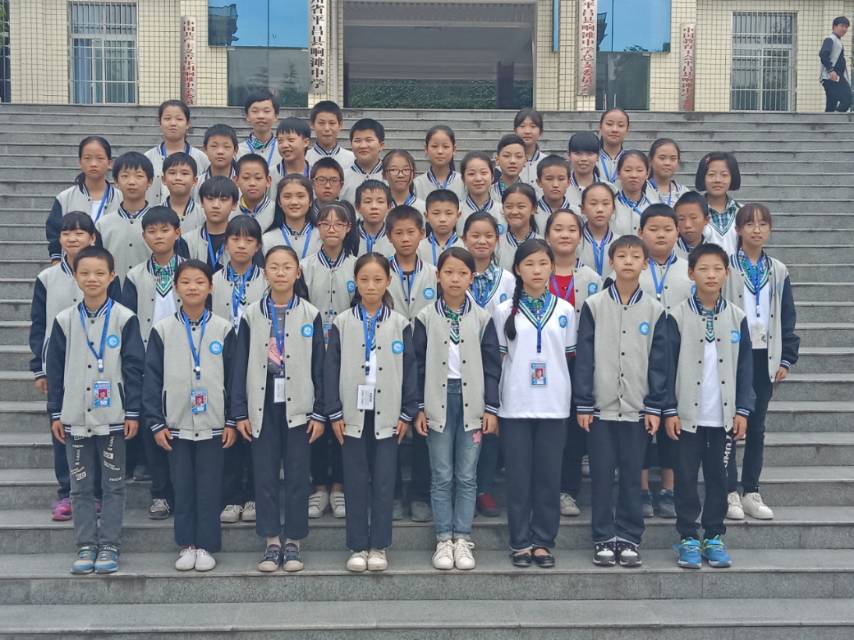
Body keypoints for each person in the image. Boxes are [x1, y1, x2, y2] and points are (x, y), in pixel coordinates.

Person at [46, 246, 145, 574]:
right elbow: (55, 371)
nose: (92, 279)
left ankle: (110, 544)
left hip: (113, 416)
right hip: (75, 416)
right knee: (81, 486)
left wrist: (132, 411)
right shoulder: (64, 321)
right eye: (85, 273)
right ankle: (86, 544)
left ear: (111, 276)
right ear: (75, 277)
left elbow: (134, 367)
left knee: (114, 484)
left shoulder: (124, 318)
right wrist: (55, 412)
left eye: (99, 273)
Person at [574, 235, 669, 568]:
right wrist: (583, 402)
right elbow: (584, 357)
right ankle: (603, 536)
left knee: (631, 475)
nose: (628, 261)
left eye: (635, 256)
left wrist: (655, 405)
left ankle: (629, 537)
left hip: (637, 410)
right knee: (601, 475)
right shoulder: (594, 305)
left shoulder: (655, 310)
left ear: (645, 263)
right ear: (611, 262)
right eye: (622, 256)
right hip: (600, 410)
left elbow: (660, 362)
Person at [231, 246, 326, 573]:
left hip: (299, 402)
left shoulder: (310, 314)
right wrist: (240, 412)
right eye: (274, 267)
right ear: (265, 273)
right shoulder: (251, 314)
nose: (281, 272)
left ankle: (294, 541)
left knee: (298, 474)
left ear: (298, 272)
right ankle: (271, 540)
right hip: (262, 399)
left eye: (287, 267)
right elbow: (240, 365)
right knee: (265, 473)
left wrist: (319, 412)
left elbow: (319, 366)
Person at [324, 253, 417, 573]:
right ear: (355, 283)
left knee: (384, 481)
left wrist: (407, 412)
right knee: (354, 480)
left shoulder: (400, 324)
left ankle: (379, 545)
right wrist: (334, 412)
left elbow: (410, 370)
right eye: (364, 279)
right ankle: (357, 544)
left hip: (388, 411)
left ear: (388, 281)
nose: (371, 285)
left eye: (378, 279)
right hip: (351, 412)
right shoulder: (342, 322)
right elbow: (330, 369)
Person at [143, 259, 237, 572]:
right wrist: (156, 421)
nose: (193, 287)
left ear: (210, 287)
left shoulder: (223, 328)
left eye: (199, 282)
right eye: (185, 282)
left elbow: (234, 378)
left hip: (214, 424)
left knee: (209, 488)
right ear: (176, 287)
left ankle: (207, 545)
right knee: (182, 486)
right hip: (176, 424)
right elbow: (151, 379)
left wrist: (232, 420)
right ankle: (187, 544)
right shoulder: (163, 329)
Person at [665, 243, 755, 569]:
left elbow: (745, 368)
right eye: (703, 269)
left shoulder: (736, 317)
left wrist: (743, 409)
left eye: (718, 269)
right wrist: (669, 409)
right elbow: (665, 366)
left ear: (726, 273)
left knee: (719, 478)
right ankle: (688, 536)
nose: (711, 275)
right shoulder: (676, 316)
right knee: (686, 477)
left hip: (723, 416)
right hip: (687, 416)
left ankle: (714, 535)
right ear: (691, 273)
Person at [414, 247, 500, 570]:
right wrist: (418, 407)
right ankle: (443, 538)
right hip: (437, 400)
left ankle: (462, 538)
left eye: (462, 273)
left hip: (472, 402)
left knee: (466, 475)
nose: (455, 279)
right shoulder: (425, 317)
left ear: (471, 278)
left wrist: (491, 408)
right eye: (448, 272)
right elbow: (417, 365)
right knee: (442, 475)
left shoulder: (482, 318)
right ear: (438, 276)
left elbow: (492, 367)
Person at [30, 213, 119, 521]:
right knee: (63, 430)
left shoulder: (106, 274)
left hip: (101, 369)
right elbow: (38, 325)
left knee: (100, 431)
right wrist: (40, 368)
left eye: (80, 233)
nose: (73, 238)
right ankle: (67, 492)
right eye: (67, 233)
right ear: (59, 239)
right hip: (62, 368)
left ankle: (97, 493)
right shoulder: (47, 278)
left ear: (92, 238)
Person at [493, 239, 577, 568]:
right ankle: (520, 541)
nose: (537, 270)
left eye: (543, 263)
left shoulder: (565, 310)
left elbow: (569, 357)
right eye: (529, 264)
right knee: (518, 477)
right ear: (517, 269)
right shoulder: (504, 311)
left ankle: (543, 541)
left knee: (548, 476)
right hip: (515, 404)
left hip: (554, 404)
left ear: (552, 267)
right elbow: (499, 360)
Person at [723, 203, 800, 521]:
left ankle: (751, 490)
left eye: (763, 224)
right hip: (733, 355)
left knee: (757, 426)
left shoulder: (778, 270)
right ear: (738, 230)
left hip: (765, 355)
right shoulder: (725, 266)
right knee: (728, 424)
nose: (757, 229)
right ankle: (729, 490)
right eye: (750, 224)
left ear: (770, 229)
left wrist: (787, 357)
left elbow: (787, 314)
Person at [123, 206, 184, 520]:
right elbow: (129, 320)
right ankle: (160, 493)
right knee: (153, 424)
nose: (159, 236)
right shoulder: (135, 276)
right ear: (144, 236)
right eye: (152, 231)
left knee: (182, 424)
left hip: (186, 356)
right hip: (149, 357)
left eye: (165, 230)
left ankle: (182, 491)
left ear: (178, 232)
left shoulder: (191, 271)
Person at [637, 204, 694, 519]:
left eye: (668, 229)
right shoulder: (632, 266)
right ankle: (643, 488)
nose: (661, 235)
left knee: (675, 423)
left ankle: (670, 489)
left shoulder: (689, 271)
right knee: (642, 423)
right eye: (654, 229)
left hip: (681, 357)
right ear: (640, 232)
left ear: (678, 232)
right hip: (639, 357)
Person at [544, 209, 602, 517]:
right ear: (547, 235)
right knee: (546, 428)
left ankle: (568, 490)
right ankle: (543, 488)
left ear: (580, 237)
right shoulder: (536, 271)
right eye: (558, 229)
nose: (564, 235)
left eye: (571, 230)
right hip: (542, 364)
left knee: (574, 429)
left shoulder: (592, 279)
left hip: (579, 363)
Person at [301, 202, 357, 519]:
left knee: (343, 416)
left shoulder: (358, 266)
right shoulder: (305, 267)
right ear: (317, 228)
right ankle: (319, 485)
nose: (332, 228)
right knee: (316, 415)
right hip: (312, 352)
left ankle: (340, 485)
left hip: (348, 353)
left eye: (339, 223)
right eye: (325, 223)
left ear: (348, 228)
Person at [461, 211, 515, 517]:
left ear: (497, 240)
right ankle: (462, 487)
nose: (482, 241)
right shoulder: (455, 273)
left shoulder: (507, 279)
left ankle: (483, 488)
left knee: (490, 425)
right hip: (459, 362)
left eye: (488, 236)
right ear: (464, 238)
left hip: (497, 362)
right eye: (475, 235)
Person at [46, 136, 120, 261]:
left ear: (109, 163)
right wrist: (56, 260)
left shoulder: (122, 198)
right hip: (73, 267)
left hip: (110, 266)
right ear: (80, 162)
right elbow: (54, 232)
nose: (93, 164)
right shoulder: (65, 198)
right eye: (87, 158)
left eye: (100, 158)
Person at [96, 152, 154, 282]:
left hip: (150, 289)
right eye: (125, 176)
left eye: (139, 176)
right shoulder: (103, 224)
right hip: (113, 290)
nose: (132, 182)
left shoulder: (161, 222)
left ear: (150, 182)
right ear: (116, 182)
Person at [144, 100, 209, 205]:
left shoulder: (202, 158)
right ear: (160, 123)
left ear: (188, 124)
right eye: (167, 118)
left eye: (179, 119)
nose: (173, 123)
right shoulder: (148, 158)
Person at [183, 176, 239, 272]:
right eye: (210, 199)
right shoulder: (187, 241)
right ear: (201, 202)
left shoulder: (243, 240)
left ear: (234, 205)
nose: (215, 205)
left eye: (223, 199)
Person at [262, 174, 321, 261]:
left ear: (310, 201)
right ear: (279, 202)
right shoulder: (267, 240)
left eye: (300, 196)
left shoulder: (321, 236)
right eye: (287, 197)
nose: (294, 202)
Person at [695, 152, 742, 255]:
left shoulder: (742, 212)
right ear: (703, 177)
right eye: (711, 174)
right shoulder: (693, 211)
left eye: (724, 175)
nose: (718, 180)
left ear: (732, 177)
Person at [413, 125, 465, 202]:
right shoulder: (417, 184)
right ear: (426, 149)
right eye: (434, 146)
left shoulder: (463, 182)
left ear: (454, 150)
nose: (440, 151)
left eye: (445, 147)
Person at [578, 183, 620, 278]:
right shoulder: (574, 243)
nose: (600, 209)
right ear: (582, 209)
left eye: (605, 204)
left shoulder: (621, 244)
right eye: (593, 204)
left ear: (613, 208)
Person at [341, 118, 386, 204]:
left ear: (381, 145)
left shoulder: (391, 176)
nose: (363, 146)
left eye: (369, 140)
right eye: (357, 141)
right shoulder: (342, 177)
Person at [496, 183, 539, 272]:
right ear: (503, 209)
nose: (514, 212)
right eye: (509, 207)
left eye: (521, 207)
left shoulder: (542, 244)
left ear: (533, 209)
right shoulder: (496, 244)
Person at [459, 151, 504, 233]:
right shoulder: (456, 212)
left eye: (484, 173)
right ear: (463, 179)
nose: (478, 178)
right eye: (471, 174)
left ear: (492, 177)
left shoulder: (503, 211)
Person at [613, 151, 656, 237]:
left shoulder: (655, 206)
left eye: (639, 170)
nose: (633, 175)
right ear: (618, 173)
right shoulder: (610, 206)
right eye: (628, 170)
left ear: (647, 174)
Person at [418, 189, 463, 266]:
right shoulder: (418, 248)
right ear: (426, 216)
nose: (442, 219)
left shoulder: (464, 247)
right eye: (436, 213)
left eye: (448, 213)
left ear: (458, 216)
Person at [237, 90, 281, 168]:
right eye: (255, 111)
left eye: (266, 111)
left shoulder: (283, 150)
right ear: (247, 116)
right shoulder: (238, 151)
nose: (261, 116)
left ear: (276, 116)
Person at [306, 100, 355, 169]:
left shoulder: (352, 159)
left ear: (340, 125)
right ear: (312, 125)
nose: (327, 128)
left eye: (332, 123)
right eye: (321, 123)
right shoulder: (304, 159)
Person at [162, 152, 203, 232]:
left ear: (195, 180)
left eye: (184, 173)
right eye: (172, 173)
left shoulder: (204, 214)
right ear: (163, 179)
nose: (178, 178)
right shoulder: (153, 213)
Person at [235, 154, 276, 233]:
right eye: (246, 178)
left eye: (258, 178)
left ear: (268, 181)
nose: (252, 183)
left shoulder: (277, 211)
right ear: (236, 181)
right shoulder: (230, 211)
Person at [271, 117, 312, 194]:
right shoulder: (270, 175)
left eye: (291, 140)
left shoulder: (316, 175)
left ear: (306, 142)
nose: (284, 145)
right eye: (280, 141)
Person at [566, 132, 606, 211]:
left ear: (598, 156)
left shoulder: (609, 189)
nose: (584, 159)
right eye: (578, 153)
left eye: (590, 154)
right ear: (568, 155)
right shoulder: (560, 189)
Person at [820, 17, 852, 112]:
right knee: (847, 99)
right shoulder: (830, 39)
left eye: (846, 27)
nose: (844, 29)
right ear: (834, 27)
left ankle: (829, 120)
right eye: (842, 26)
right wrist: (831, 70)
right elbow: (823, 54)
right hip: (833, 77)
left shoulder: (837, 41)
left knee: (831, 105)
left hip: (833, 77)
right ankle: (837, 117)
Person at [355, 180, 395, 257]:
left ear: (389, 207)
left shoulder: (395, 238)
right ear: (357, 207)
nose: (374, 206)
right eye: (368, 201)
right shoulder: (349, 237)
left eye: (380, 202)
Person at [646, 138, 689, 207]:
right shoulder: (640, 190)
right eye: (662, 158)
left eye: (673, 159)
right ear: (650, 160)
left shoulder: (684, 193)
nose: (667, 163)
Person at [198, 123, 239, 189]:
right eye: (214, 146)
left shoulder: (242, 183)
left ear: (235, 150)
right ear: (205, 149)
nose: (220, 151)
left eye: (226, 146)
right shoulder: (197, 184)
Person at [536, 155, 572, 226]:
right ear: (539, 182)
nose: (555, 185)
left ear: (568, 182)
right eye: (549, 179)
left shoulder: (578, 213)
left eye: (561, 179)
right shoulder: (531, 213)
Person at [514, 108, 546, 189]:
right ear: (515, 130)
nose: (527, 131)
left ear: (541, 132)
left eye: (533, 126)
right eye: (522, 126)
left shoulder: (547, 162)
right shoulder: (507, 162)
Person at [597, 108, 630, 185]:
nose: (615, 130)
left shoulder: (631, 161)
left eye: (620, 125)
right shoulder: (591, 160)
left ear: (627, 129)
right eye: (609, 124)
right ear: (600, 127)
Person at [674, 191, 710, 259]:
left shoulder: (715, 253)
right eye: (681, 219)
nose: (687, 225)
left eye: (693, 218)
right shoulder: (668, 252)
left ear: (706, 220)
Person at [491, 134, 527, 201]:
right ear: (497, 160)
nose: (512, 161)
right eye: (506, 156)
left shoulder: (532, 195)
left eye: (518, 156)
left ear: (525, 161)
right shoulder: (487, 194)